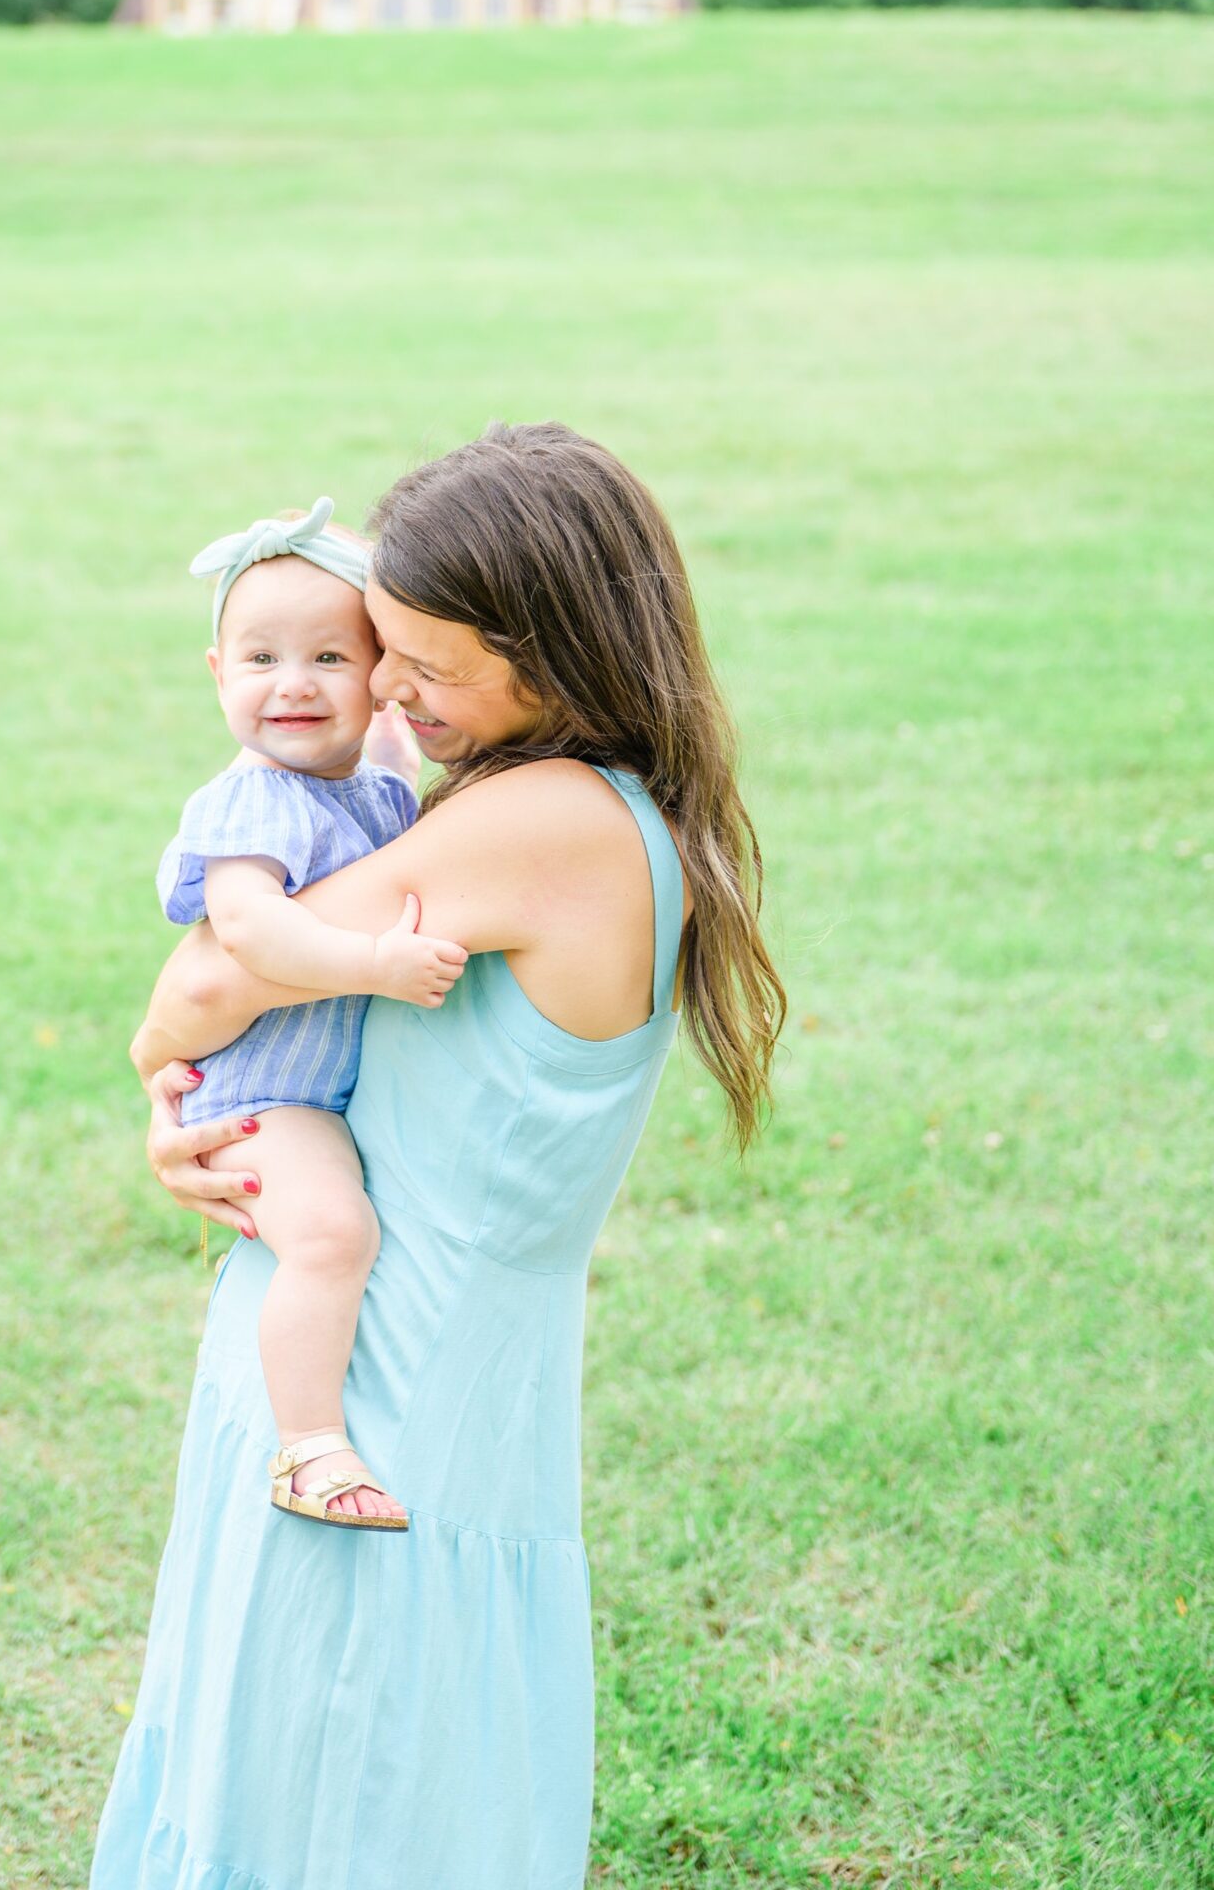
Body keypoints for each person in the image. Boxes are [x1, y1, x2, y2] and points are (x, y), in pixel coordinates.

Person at [97, 423, 785, 1890]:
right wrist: (196, 1117)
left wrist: (165, 1065)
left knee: (322, 1788)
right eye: (377, 653)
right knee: (377, 1784)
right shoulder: (615, 810)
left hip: (383, 1385)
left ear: (553, 656)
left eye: (418, 661)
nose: (385, 693)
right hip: (440, 1371)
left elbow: (203, 990)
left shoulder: (536, 820)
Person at [155, 496, 466, 1531]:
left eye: (331, 657)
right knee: (332, 1234)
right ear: (217, 675)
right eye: (259, 659)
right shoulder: (249, 803)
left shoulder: (371, 787)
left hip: (317, 1089)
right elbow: (249, 933)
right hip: (262, 1092)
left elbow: (393, 738)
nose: (291, 683)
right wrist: (372, 961)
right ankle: (309, 1448)